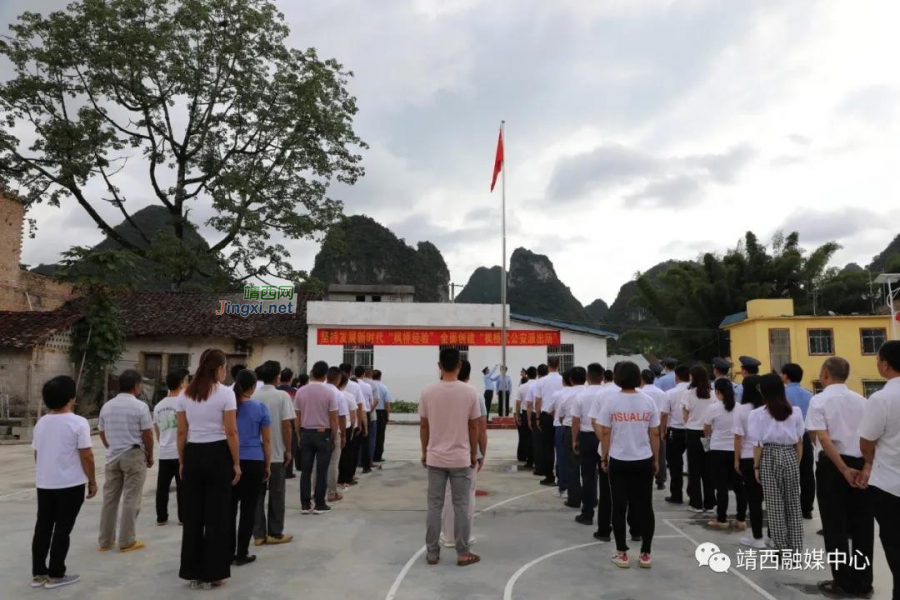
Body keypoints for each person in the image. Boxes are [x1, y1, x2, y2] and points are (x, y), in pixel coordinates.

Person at [804, 357, 872, 598]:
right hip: (861, 463)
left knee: (835, 526)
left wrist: (843, 469)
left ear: (824, 374)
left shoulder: (819, 400)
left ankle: (842, 580)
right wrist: (866, 467)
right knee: (862, 525)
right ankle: (863, 580)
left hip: (833, 466)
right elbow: (870, 438)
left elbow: (823, 438)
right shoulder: (863, 401)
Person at [176, 349, 240, 589]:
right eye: (224, 367)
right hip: (218, 454)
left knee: (193, 516)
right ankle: (215, 573)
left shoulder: (185, 394)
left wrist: (182, 461)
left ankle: (192, 571)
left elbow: (182, 432)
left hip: (193, 454)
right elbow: (231, 432)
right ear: (218, 369)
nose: (225, 371)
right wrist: (236, 462)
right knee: (217, 516)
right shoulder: (226, 394)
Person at [30, 376, 97, 590]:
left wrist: (44, 473)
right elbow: (87, 455)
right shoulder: (78, 422)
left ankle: (39, 572)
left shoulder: (41, 422)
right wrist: (92, 481)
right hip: (70, 484)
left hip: (45, 483)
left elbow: (37, 454)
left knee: (43, 527)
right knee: (62, 529)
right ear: (71, 398)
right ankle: (56, 573)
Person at [419, 348, 481, 567]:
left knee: (434, 506)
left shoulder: (428, 391)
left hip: (435, 457)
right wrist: (473, 453)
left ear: (439, 366)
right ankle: (463, 552)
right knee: (461, 506)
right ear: (460, 366)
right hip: (461, 457)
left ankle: (432, 553)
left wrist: (425, 451)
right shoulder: (470, 392)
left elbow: (424, 424)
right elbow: (474, 425)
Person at [597, 361, 661, 569]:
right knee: (645, 506)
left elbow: (605, 432)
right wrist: (656, 459)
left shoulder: (611, 401)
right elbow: (655, 433)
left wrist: (604, 457)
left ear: (618, 377)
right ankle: (646, 554)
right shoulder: (648, 401)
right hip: (643, 459)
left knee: (619, 506)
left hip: (619, 460)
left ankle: (622, 553)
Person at [859, 340, 900, 600]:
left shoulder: (882, 398)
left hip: (890, 485)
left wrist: (869, 460)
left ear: (885, 364)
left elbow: (866, 441)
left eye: (877, 360)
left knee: (896, 549)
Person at [747, 373, 805, 553]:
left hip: (769, 455)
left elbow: (757, 444)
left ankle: (782, 548)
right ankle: (795, 548)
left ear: (763, 391)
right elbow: (799, 441)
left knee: (775, 505)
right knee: (793, 504)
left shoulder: (757, 414)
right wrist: (796, 463)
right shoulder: (795, 411)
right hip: (790, 455)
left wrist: (756, 466)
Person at [98, 369, 153, 552]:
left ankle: (105, 541)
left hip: (113, 456)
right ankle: (127, 540)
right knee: (131, 498)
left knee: (110, 499)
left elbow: (102, 433)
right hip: (133, 454)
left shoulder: (107, 406)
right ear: (136, 386)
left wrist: (111, 446)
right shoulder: (140, 407)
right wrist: (149, 455)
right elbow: (147, 434)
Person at [441, 360, 488, 548]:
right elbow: (481, 428)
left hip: (443, 450)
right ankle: (464, 536)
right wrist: (481, 453)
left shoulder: (437, 392)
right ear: (467, 374)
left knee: (447, 494)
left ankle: (448, 536)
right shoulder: (475, 395)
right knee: (467, 495)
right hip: (467, 451)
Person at [252, 361, 295, 546]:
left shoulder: (251, 395)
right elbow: (287, 425)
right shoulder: (282, 396)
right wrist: (288, 449)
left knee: (257, 495)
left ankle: (258, 535)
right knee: (277, 494)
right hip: (276, 453)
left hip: (255, 453)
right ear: (277, 376)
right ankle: (275, 532)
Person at [230, 369, 270, 566]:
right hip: (255, 460)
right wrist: (267, 464)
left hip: (232, 460)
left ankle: (227, 552)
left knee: (229, 509)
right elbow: (267, 441)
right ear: (253, 387)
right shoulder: (260, 408)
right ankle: (241, 553)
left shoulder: (229, 407)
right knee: (248, 509)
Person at [294, 361, 339, 514]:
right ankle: (320, 503)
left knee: (305, 471)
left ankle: (305, 504)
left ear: (312, 373)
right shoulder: (329, 392)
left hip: (306, 433)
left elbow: (297, 416)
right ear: (326, 375)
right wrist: (334, 436)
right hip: (323, 434)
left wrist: (299, 434)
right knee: (321, 470)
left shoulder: (301, 391)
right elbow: (333, 417)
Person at [704, 378, 746, 531]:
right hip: (737, 450)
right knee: (739, 486)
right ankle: (741, 519)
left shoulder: (713, 408)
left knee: (721, 486)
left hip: (718, 450)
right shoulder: (740, 408)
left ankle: (721, 519)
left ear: (717, 392)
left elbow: (706, 429)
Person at [732, 375, 767, 549]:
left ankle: (757, 537)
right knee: (771, 499)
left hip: (748, 456)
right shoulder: (767, 408)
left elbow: (738, 436)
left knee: (753, 499)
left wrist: (736, 459)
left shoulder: (742, 409)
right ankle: (773, 536)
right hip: (767, 456)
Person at [154, 368, 189, 526]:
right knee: (182, 486)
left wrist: (163, 443)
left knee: (162, 487)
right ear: (182, 384)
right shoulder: (184, 403)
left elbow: (157, 431)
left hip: (164, 451)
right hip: (181, 451)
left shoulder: (158, 406)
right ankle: (183, 517)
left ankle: (161, 517)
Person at [781, 363, 816, 520]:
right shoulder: (809, 395)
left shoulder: (781, 394)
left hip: (787, 438)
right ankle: (807, 508)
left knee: (787, 473)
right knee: (807, 473)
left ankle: (789, 507)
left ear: (786, 376)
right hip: (805, 436)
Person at [571, 363, 604, 526]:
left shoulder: (581, 396)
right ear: (603, 377)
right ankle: (606, 517)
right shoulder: (609, 395)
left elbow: (576, 421)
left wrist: (574, 440)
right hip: (605, 437)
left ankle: (588, 513)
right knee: (605, 478)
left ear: (587, 378)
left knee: (588, 476)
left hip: (587, 437)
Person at [683, 365, 715, 513]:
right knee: (708, 468)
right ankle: (710, 503)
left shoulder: (688, 394)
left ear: (693, 377)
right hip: (708, 433)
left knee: (694, 470)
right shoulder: (713, 394)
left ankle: (696, 503)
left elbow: (685, 416)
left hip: (692, 432)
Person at [661, 365, 690, 505]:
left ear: (676, 377)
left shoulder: (670, 393)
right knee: (695, 465)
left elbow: (664, 414)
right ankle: (695, 495)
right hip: (693, 431)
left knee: (675, 465)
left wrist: (663, 431)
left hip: (675, 431)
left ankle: (676, 494)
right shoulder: (697, 391)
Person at [560, 367, 587, 508]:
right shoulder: (592, 393)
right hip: (590, 432)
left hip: (572, 431)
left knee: (573, 466)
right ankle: (591, 499)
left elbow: (561, 415)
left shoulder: (566, 395)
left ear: (570, 379)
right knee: (589, 469)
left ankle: (574, 499)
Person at [535, 360, 563, 485]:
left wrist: (537, 418)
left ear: (548, 366)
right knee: (560, 448)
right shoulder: (563, 379)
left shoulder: (541, 381)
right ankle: (561, 475)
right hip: (560, 415)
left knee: (548, 447)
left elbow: (538, 401)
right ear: (559, 365)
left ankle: (549, 476)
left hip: (546, 416)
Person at [639, 370, 667, 491]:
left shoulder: (640, 393)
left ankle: (644, 477)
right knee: (660, 452)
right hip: (658, 424)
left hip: (643, 423)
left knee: (643, 449)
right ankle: (660, 479)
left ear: (642, 379)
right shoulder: (661, 393)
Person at [549, 370, 575, 499]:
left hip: (562, 427)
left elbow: (550, 410)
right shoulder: (583, 392)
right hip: (583, 429)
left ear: (564, 381)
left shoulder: (559, 394)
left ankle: (563, 486)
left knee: (562, 458)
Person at [327, 373, 350, 502]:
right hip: (333, 431)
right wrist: (343, 435)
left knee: (316, 464)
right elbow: (341, 417)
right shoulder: (338, 394)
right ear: (338, 379)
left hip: (313, 431)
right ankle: (331, 493)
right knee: (333, 463)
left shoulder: (315, 391)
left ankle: (315, 491)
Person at [338, 373, 360, 491]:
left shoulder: (332, 394)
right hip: (346, 426)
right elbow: (353, 416)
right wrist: (352, 429)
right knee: (347, 453)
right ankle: (345, 478)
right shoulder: (349, 396)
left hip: (333, 427)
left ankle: (336, 477)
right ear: (346, 383)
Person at [276, 368, 298, 479]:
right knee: (290, 446)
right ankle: (288, 471)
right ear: (290, 379)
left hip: (276, 421)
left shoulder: (276, 390)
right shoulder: (295, 392)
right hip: (291, 421)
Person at [516, 368, 536, 469]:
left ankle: (528, 459)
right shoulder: (539, 386)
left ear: (527, 375)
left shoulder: (522, 387)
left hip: (525, 413)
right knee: (536, 438)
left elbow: (518, 403)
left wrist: (518, 416)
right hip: (537, 413)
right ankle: (537, 459)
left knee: (526, 437)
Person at [372, 369, 392, 463]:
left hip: (370, 411)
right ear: (380, 377)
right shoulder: (384, 387)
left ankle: (369, 455)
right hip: (380, 413)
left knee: (370, 435)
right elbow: (387, 403)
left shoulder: (369, 386)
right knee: (380, 435)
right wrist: (387, 415)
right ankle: (377, 456)